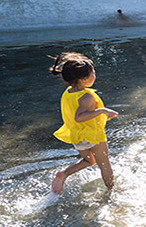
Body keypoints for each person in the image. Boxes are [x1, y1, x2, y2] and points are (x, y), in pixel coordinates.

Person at [49, 52, 118, 195]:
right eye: (93, 72)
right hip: (92, 136)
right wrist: (101, 111)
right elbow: (80, 116)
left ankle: (64, 174)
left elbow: (80, 114)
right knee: (105, 165)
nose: (95, 75)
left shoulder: (68, 92)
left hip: (77, 137)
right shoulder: (86, 96)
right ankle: (111, 192)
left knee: (89, 160)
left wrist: (101, 116)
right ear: (85, 78)